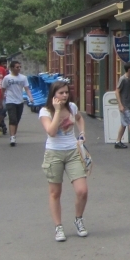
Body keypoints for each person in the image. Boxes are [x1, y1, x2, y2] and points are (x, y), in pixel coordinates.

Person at [39, 81, 89, 242]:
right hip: (54, 153)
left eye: (66, 92)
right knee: (55, 192)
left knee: (82, 190)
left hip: (73, 151)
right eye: (61, 93)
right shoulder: (45, 111)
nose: (65, 95)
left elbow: (80, 118)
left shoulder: (72, 107)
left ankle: (78, 219)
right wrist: (58, 111)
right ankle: (58, 227)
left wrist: (81, 133)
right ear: (53, 94)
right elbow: (52, 132)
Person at [2, 60, 35, 147]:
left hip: (19, 101)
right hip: (10, 100)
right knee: (12, 119)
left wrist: (30, 97)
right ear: (12, 68)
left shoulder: (23, 78)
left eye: (20, 67)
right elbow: (3, 89)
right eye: (17, 67)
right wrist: (1, 100)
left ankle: (14, 135)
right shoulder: (7, 78)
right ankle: (12, 137)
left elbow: (27, 88)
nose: (19, 69)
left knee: (17, 120)